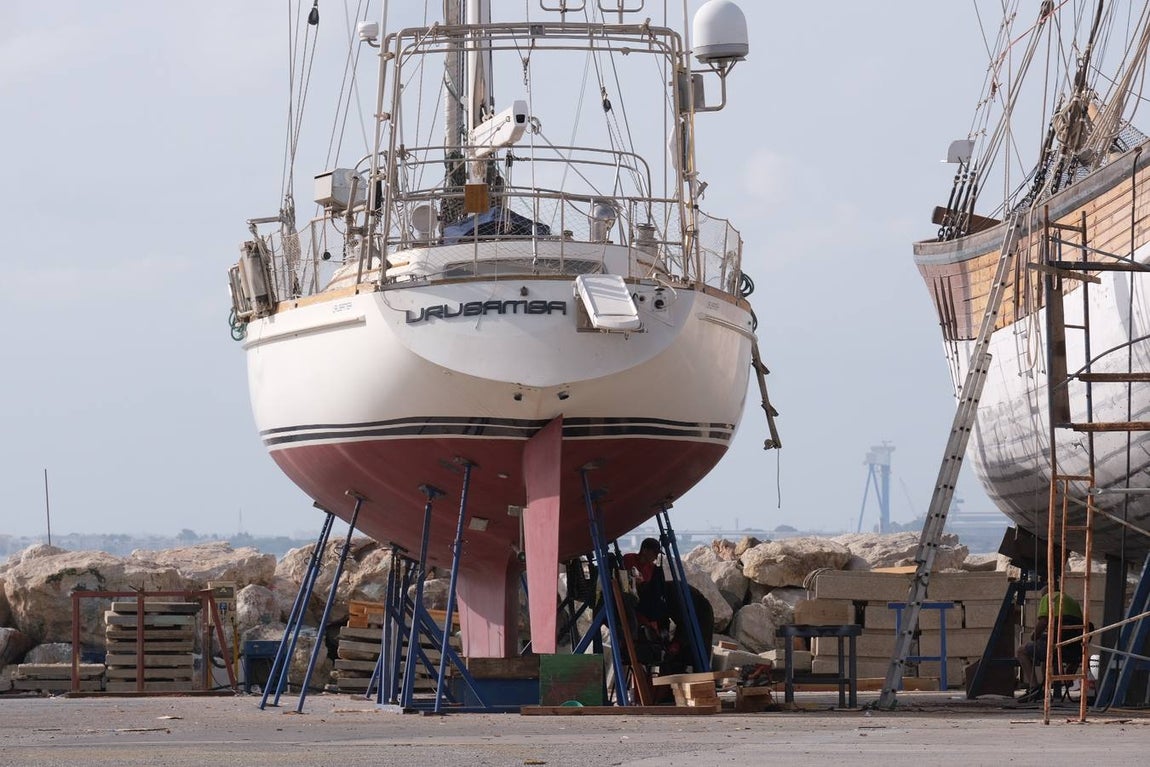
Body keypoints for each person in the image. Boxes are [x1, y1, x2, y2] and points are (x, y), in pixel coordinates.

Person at [1016, 584, 1084, 703]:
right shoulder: (1073, 602)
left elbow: (1043, 622)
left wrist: (1034, 636)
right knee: (1046, 655)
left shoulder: (1048, 597)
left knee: (1022, 651)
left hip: (1055, 648)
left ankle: (1034, 688)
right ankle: (1047, 687)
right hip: (1074, 650)